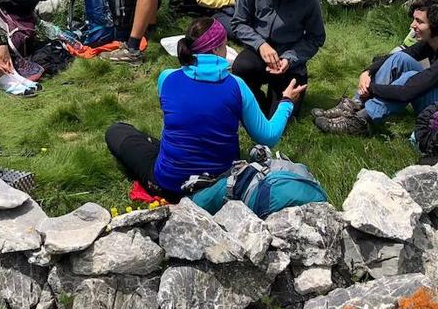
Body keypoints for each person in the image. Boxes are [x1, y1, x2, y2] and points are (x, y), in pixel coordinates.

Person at [105, 17, 306, 200]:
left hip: (170, 183)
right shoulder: (236, 85)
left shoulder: (166, 78)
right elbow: (268, 136)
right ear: (218, 49)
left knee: (117, 131)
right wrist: (286, 101)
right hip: (220, 185)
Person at [313, 0, 438, 135]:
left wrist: (372, 88)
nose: (413, 26)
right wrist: (367, 72)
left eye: (419, 22)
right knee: (399, 59)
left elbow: (407, 92)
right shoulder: (434, 43)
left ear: (437, 25)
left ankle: (361, 121)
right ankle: (353, 106)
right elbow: (393, 57)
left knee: (411, 78)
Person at [230, 0, 326, 116]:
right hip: (257, 52)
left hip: (290, 60)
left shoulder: (310, 0)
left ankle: (277, 91)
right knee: (241, 68)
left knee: (281, 118)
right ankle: (256, 97)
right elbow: (239, 22)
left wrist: (290, 58)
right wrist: (260, 45)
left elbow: (315, 38)